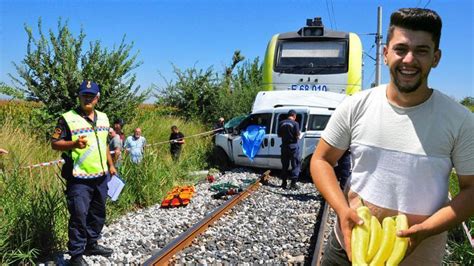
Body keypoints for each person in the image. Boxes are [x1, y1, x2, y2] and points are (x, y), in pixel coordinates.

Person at [311, 8, 474, 265]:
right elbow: (321, 160)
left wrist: (427, 229)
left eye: (421, 51)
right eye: (400, 49)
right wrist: (342, 210)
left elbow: (472, 190)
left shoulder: (460, 120)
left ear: (436, 58)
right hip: (348, 250)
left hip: (418, 259)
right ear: (385, 54)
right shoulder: (355, 105)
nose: (409, 59)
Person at [51, 80, 116, 266]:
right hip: (79, 178)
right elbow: (54, 143)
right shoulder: (67, 118)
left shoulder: (103, 117)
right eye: (84, 95)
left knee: (98, 213)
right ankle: (76, 256)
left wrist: (111, 165)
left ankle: (91, 244)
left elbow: (103, 144)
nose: (88, 99)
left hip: (101, 176)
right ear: (79, 96)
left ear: (97, 98)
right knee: (79, 216)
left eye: (91, 96)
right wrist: (73, 144)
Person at [277, 110, 301, 190]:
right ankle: (293, 184)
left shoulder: (281, 123)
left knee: (285, 165)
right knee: (295, 165)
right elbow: (297, 136)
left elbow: (279, 135)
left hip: (284, 146)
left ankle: (284, 183)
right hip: (293, 147)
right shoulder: (295, 123)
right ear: (294, 115)